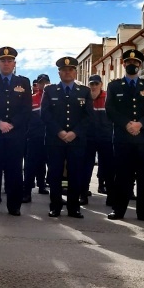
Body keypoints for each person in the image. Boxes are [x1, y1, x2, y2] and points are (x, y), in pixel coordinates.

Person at [105, 49, 144, 222]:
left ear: (140, 65)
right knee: (122, 176)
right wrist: (127, 124)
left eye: (135, 63)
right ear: (124, 64)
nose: (132, 65)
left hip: (143, 139)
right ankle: (118, 210)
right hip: (122, 138)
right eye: (129, 62)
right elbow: (110, 109)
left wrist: (140, 124)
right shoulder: (114, 86)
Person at [0, 46, 32, 216]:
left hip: (15, 134)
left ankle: (14, 205)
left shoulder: (23, 82)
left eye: (9, 60)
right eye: (3, 60)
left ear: (14, 63)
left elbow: (26, 109)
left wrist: (12, 124)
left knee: (14, 171)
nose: (6, 63)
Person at [42, 56, 93, 218]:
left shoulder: (84, 91)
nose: (67, 72)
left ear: (75, 72)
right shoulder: (49, 90)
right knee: (55, 174)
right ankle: (55, 206)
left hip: (76, 141)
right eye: (64, 70)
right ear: (59, 73)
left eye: (70, 69)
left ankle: (74, 207)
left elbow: (88, 116)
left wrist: (74, 132)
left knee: (75, 174)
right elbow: (45, 114)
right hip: (55, 140)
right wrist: (59, 131)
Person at [82, 74, 114, 203]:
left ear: (101, 85)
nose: (94, 86)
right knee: (85, 168)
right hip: (88, 139)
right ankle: (83, 195)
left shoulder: (108, 98)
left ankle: (111, 197)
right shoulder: (85, 98)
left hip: (106, 138)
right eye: (91, 84)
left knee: (109, 168)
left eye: (96, 84)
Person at [23, 73, 50, 202]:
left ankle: (43, 186)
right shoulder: (31, 99)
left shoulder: (54, 98)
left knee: (46, 165)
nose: (43, 85)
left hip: (50, 137)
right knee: (30, 166)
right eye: (41, 82)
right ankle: (26, 193)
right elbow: (26, 118)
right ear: (37, 85)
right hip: (34, 137)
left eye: (46, 82)